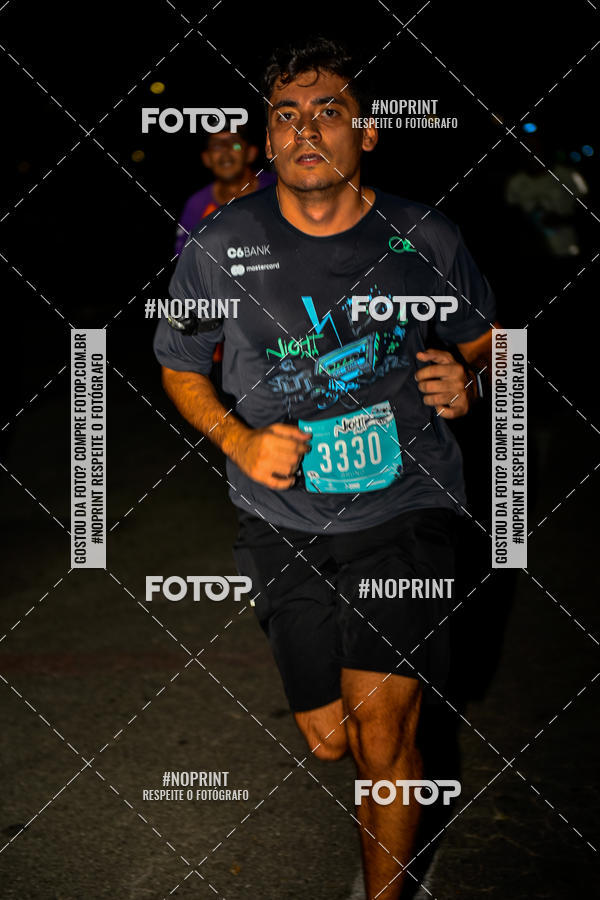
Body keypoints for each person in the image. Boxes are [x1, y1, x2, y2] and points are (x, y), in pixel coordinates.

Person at [154, 38, 497, 899]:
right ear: (268, 140)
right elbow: (178, 365)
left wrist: (467, 376)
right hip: (282, 517)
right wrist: (239, 441)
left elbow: (487, 339)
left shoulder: (425, 235)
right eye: (287, 115)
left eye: (329, 111)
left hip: (407, 503)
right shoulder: (220, 243)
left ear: (367, 133)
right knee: (331, 737)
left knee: (384, 732)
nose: (306, 129)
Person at [174, 126, 276, 256]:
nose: (225, 151)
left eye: (235, 144)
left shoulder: (279, 189)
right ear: (206, 158)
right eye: (216, 146)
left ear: (250, 153)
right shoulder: (197, 205)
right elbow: (185, 258)